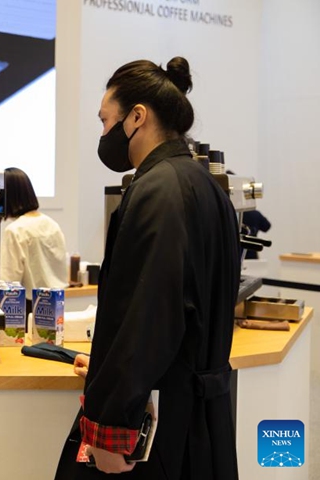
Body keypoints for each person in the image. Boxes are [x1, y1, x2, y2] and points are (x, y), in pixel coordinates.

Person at [54, 57, 241, 479]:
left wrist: (111, 430)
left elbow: (146, 317)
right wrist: (102, 361)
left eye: (105, 120)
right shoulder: (207, 187)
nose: (102, 134)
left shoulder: (155, 191)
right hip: (200, 418)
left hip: (155, 428)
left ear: (137, 116)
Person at [0, 167, 69, 299]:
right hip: (57, 303)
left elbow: (8, 281)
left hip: (29, 306)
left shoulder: (16, 231)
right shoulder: (53, 225)